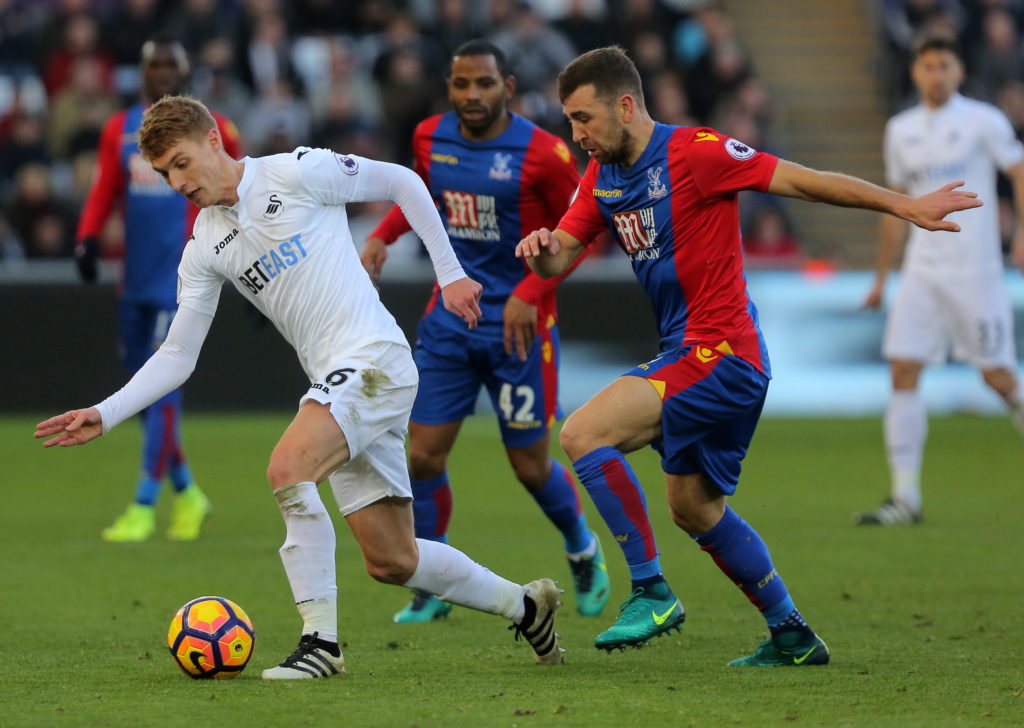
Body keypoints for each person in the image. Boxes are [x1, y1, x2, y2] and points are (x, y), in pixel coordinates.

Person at [35, 95, 564, 678]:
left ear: (214, 140)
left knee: (288, 469)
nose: (176, 181)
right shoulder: (205, 246)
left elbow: (405, 183)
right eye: (164, 173)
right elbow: (179, 354)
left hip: (374, 360)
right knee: (392, 559)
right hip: (340, 382)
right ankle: (526, 604)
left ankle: (321, 645)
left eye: (181, 163)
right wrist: (105, 413)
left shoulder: (297, 171)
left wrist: (452, 274)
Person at [514, 46, 980, 666]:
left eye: (584, 118)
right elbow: (562, 254)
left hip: (723, 353)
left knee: (582, 433)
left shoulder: (697, 152)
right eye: (570, 122)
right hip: (697, 355)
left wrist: (905, 205)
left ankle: (650, 589)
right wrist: (541, 248)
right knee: (693, 507)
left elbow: (805, 181)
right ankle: (791, 633)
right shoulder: (601, 177)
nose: (576, 135)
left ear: (625, 106)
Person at [360, 39, 609, 624]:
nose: (473, 95)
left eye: (485, 84)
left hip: (519, 331)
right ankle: (433, 582)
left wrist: (531, 292)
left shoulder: (545, 153)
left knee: (528, 466)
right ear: (450, 86)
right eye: (462, 84)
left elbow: (581, 233)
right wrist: (383, 234)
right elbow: (421, 198)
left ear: (509, 88)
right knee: (421, 458)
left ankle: (583, 548)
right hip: (449, 323)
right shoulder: (429, 137)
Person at [75, 36, 242, 543]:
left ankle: (145, 503)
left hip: (183, 278)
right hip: (136, 279)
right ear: (143, 73)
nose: (165, 72)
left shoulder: (216, 130)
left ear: (187, 71)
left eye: (174, 64)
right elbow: (106, 186)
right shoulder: (119, 130)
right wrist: (87, 237)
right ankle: (188, 491)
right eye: (156, 65)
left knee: (162, 389)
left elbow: (242, 192)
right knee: (143, 394)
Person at [857, 35, 1024, 526]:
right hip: (923, 272)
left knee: (999, 379)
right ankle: (905, 498)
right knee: (902, 370)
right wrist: (881, 278)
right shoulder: (900, 130)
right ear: (915, 73)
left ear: (959, 71)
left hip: (976, 272)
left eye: (944, 65)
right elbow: (895, 204)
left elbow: (1019, 169)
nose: (936, 74)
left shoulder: (982, 120)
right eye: (928, 66)